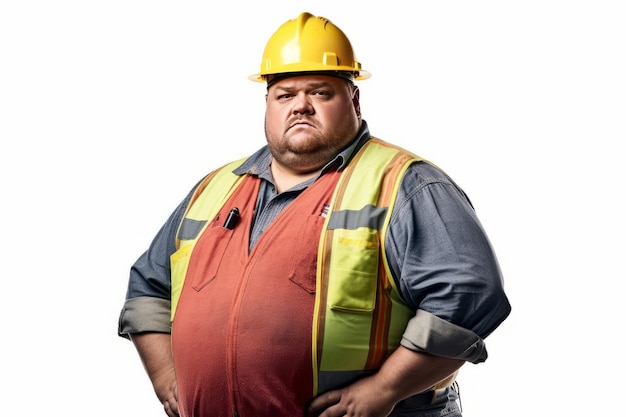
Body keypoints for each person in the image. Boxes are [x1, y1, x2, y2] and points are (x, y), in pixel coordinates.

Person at [118, 12, 511, 417]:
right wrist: (166, 376)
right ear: (267, 104)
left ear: (354, 100)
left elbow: (467, 298)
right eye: (285, 95)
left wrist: (384, 389)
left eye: (321, 93)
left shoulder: (405, 185)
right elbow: (148, 288)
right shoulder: (215, 189)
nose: (300, 106)